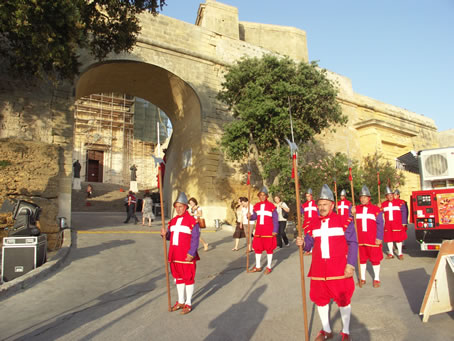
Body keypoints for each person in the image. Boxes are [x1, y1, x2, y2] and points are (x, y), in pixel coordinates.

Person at [296, 184, 358, 341]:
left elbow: (353, 243)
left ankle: (345, 331)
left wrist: (350, 265)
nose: (322, 207)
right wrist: (302, 243)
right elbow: (310, 243)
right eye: (320, 204)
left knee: (343, 300)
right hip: (318, 269)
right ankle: (326, 330)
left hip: (338, 268)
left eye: (325, 204)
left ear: (332, 204)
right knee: (320, 299)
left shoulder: (343, 220)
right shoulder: (313, 223)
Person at [161, 192, 200, 315]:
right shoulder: (172, 221)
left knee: (188, 278)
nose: (178, 209)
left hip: (186, 255)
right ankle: (181, 301)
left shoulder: (192, 221)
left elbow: (195, 238)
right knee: (178, 278)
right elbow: (170, 237)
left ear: (186, 207)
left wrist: (191, 253)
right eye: (176, 206)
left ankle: (188, 303)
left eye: (181, 206)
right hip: (174, 254)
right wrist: (165, 234)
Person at [352, 185, 384, 288]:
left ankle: (376, 279)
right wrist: (351, 213)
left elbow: (380, 224)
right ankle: (362, 278)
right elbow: (349, 221)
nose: (363, 199)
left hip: (372, 239)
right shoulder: (355, 209)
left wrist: (379, 237)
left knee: (375, 259)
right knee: (361, 259)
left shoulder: (375, 209)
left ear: (369, 198)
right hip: (360, 239)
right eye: (361, 197)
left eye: (365, 197)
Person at [248, 186, 278, 274]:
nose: (262, 197)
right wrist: (249, 216)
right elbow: (254, 217)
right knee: (257, 248)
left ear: (267, 196)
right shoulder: (256, 206)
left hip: (269, 231)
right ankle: (258, 266)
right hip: (259, 231)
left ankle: (268, 267)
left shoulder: (271, 206)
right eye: (260, 195)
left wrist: (275, 230)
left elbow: (275, 219)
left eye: (264, 195)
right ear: (259, 196)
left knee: (269, 249)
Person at [382, 187, 408, 260]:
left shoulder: (400, 202)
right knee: (389, 239)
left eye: (391, 195)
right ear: (386, 196)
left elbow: (404, 212)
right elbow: (379, 212)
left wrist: (404, 222)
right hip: (388, 224)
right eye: (388, 195)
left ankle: (400, 253)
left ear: (393, 195)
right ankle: (391, 253)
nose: (390, 196)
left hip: (397, 223)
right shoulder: (384, 204)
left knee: (398, 239)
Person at [302, 188, 318, 254]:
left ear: (311, 196)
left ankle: (313, 248)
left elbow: (319, 213)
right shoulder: (304, 205)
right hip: (307, 222)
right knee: (307, 235)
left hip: (314, 222)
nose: (308, 197)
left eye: (309, 196)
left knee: (313, 235)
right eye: (306, 196)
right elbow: (302, 212)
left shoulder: (316, 203)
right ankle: (308, 248)